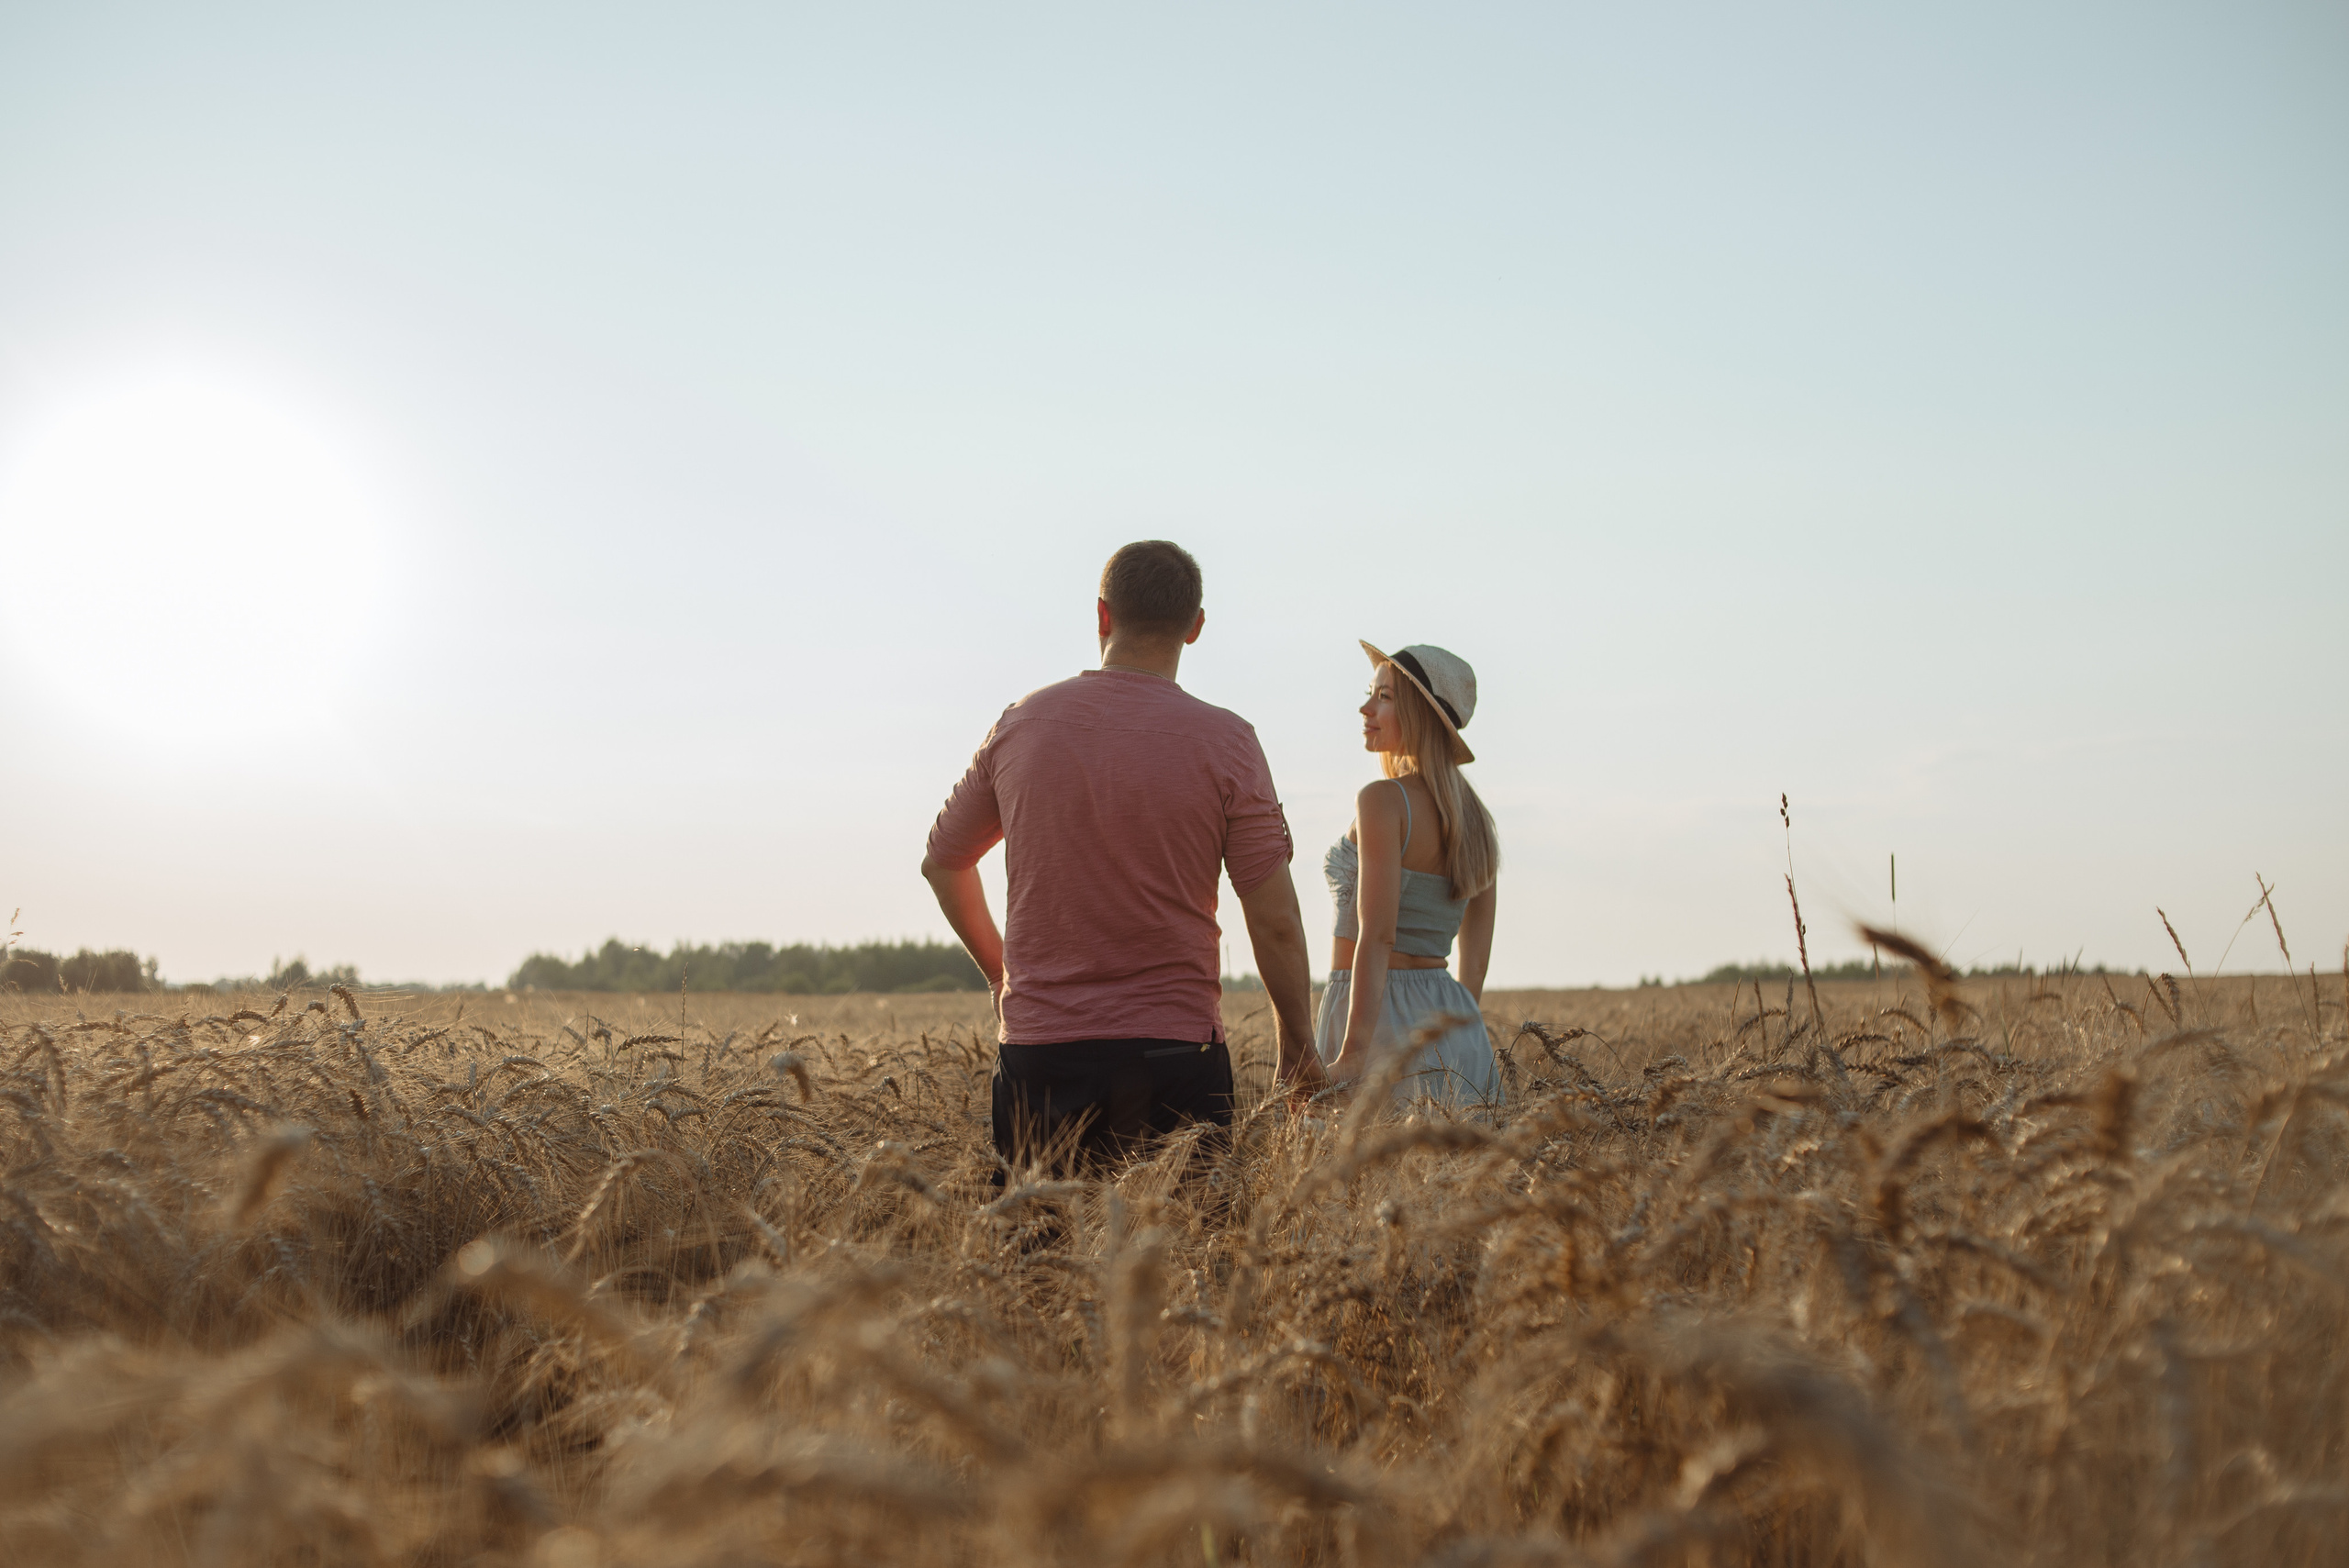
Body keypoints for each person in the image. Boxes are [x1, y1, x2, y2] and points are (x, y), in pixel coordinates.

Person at [920, 540, 1327, 1177]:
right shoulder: (1229, 741)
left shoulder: (1023, 723)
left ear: (1103, 616)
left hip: (1040, 1050)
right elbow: (1273, 917)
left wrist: (1005, 978)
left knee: (1039, 1264)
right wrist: (1299, 1046)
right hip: (1177, 1050)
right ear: (1195, 627)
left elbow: (944, 860)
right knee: (1183, 1259)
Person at [1318, 641, 1503, 1106]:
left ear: (1420, 713)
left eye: (1384, 696)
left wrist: (1355, 1052)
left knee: (1358, 1175)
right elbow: (1476, 954)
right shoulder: (1476, 818)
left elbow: (1377, 935)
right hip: (1454, 1022)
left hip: (1374, 1017)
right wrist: (1456, 1029)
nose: (1366, 707)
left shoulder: (1382, 800)